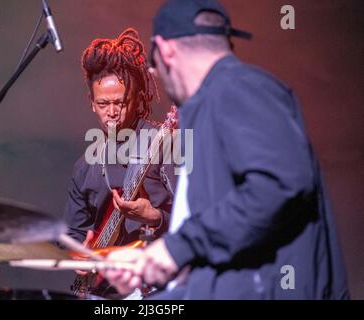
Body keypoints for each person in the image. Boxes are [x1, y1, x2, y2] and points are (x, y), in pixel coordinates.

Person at [104, 0, 349, 299]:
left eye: (153, 67)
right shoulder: (216, 104)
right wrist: (151, 262)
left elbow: (278, 185)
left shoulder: (239, 88)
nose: (155, 74)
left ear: (166, 50)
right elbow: (238, 234)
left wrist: (178, 248)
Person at [63, 28, 176, 298]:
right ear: (91, 103)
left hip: (157, 290)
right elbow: (72, 232)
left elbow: (198, 220)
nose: (112, 113)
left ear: (137, 100)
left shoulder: (165, 144)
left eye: (120, 103)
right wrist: (77, 251)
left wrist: (156, 217)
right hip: (102, 293)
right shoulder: (85, 167)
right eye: (103, 104)